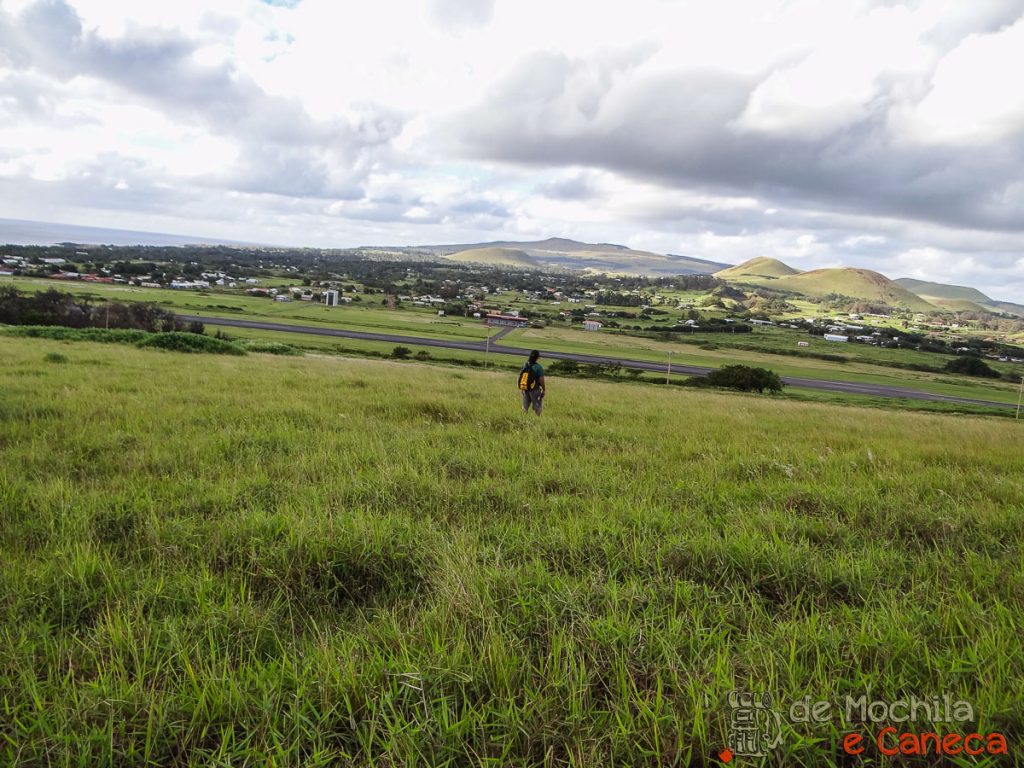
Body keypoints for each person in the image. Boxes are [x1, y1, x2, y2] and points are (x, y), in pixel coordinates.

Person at [519, 349, 546, 416]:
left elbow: (522, 376)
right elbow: (541, 380)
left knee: (525, 407)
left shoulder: (525, 365)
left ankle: (523, 419)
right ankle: (536, 420)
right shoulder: (538, 367)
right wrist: (544, 389)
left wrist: (523, 387)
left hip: (525, 388)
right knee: (537, 407)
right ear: (537, 357)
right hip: (535, 389)